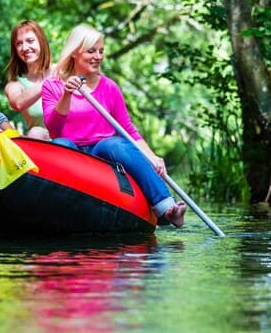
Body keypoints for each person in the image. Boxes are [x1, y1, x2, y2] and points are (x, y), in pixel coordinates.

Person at [41, 24, 187, 227]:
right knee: (61, 144)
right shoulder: (53, 85)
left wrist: (151, 155)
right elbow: (53, 129)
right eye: (91, 51)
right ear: (75, 52)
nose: (98, 56)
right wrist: (67, 94)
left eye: (101, 51)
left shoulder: (109, 87)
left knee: (115, 144)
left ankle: (167, 208)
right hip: (72, 150)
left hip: (102, 151)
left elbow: (127, 129)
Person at [4, 20, 53, 140]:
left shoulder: (61, 71)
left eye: (30, 41)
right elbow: (18, 103)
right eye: (19, 44)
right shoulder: (14, 84)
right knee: (36, 132)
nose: (25, 48)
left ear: (41, 42)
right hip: (44, 143)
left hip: (75, 139)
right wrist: (49, 81)